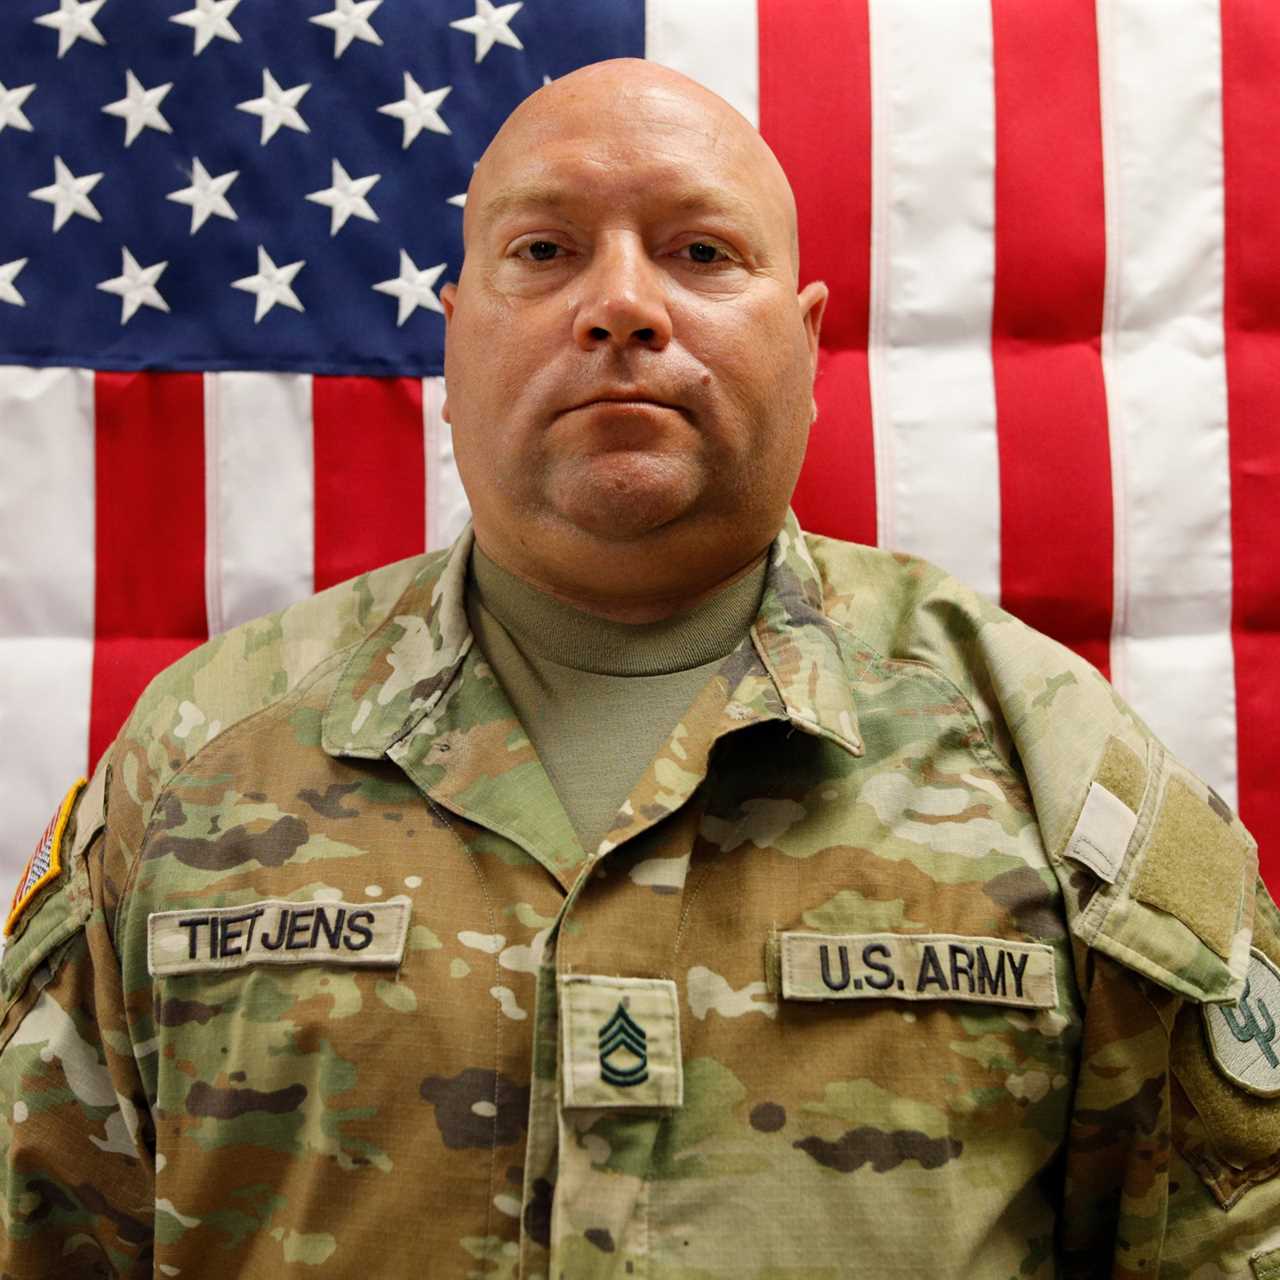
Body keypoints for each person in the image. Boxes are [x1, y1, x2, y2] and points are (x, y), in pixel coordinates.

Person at [1, 57, 1277, 1279]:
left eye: (700, 253)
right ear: (451, 349)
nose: (622, 304)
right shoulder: (201, 754)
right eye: (544, 252)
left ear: (806, 340)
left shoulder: (1046, 754)